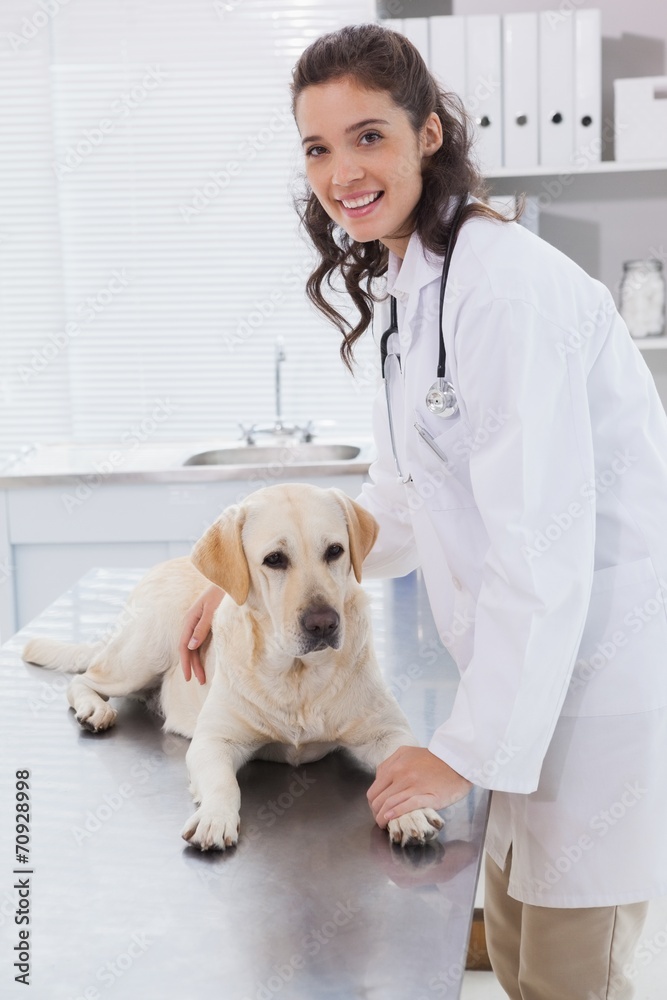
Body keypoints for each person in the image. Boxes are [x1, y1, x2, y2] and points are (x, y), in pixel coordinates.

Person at [179, 23, 667, 1000]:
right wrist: (233, 581)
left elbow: (541, 552)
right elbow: (398, 510)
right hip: (527, 689)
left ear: (428, 133)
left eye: (368, 137)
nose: (341, 172)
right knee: (521, 963)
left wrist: (457, 751)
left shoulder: (502, 295)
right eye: (317, 147)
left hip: (591, 685)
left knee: (571, 977)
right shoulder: (417, 291)